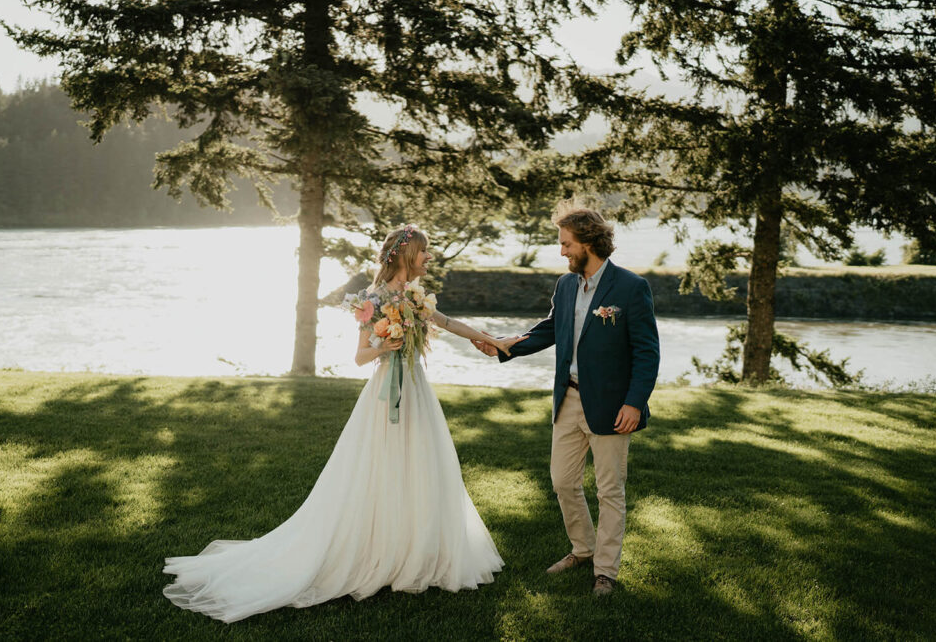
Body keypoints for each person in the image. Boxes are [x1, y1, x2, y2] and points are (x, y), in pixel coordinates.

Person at [162, 224, 525, 622]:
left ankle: (414, 550)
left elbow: (448, 323)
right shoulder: (372, 299)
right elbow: (359, 357)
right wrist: (383, 346)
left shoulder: (416, 297)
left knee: (420, 467)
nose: (429, 258)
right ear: (406, 255)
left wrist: (494, 339)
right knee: (381, 469)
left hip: (417, 394)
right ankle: (378, 550)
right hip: (386, 392)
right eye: (424, 252)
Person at [472, 202, 659, 597]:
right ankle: (583, 548)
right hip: (567, 400)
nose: (561, 251)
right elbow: (549, 329)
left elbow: (647, 352)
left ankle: (605, 570)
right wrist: (505, 346)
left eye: (566, 244)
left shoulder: (630, 288)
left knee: (610, 490)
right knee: (562, 482)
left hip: (612, 404)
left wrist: (634, 402)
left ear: (589, 242)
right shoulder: (566, 285)